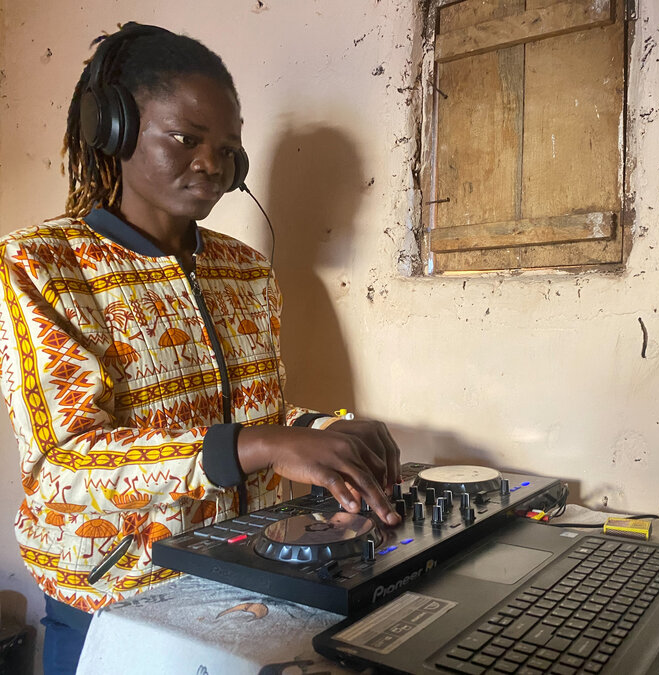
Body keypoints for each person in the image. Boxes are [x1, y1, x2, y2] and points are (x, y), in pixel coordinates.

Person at [0, 22, 401, 674]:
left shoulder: (246, 270)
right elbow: (62, 463)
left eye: (227, 149)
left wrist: (325, 430)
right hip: (113, 598)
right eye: (185, 139)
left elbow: (258, 410)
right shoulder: (39, 265)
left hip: (241, 584)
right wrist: (260, 443)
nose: (211, 163)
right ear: (116, 130)